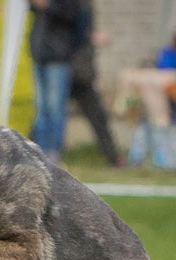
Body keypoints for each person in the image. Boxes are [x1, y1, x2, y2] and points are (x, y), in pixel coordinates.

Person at [69, 0, 121, 166]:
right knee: (49, 115)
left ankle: (114, 158)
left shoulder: (86, 5)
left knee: (98, 116)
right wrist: (91, 37)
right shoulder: (73, 5)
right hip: (66, 70)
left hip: (83, 73)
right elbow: (69, 33)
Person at [29, 0, 80, 164]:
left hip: (58, 56)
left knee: (54, 107)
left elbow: (73, 15)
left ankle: (53, 153)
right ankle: (39, 151)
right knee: (40, 107)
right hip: (39, 55)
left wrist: (48, 6)